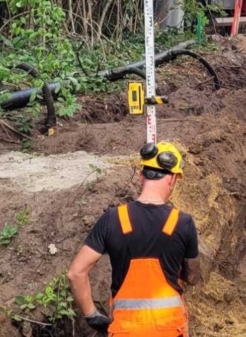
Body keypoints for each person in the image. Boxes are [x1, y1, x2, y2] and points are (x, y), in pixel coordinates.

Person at [67, 142, 201, 336]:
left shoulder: (113, 219)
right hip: (171, 330)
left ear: (140, 177)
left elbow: (76, 273)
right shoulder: (183, 222)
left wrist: (93, 316)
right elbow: (192, 277)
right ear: (172, 179)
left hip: (125, 331)